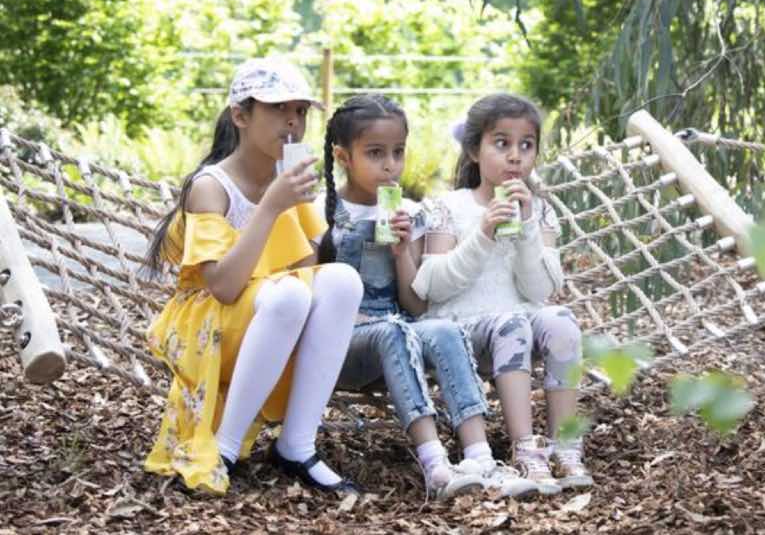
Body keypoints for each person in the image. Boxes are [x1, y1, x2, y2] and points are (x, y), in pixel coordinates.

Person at [142, 58, 362, 495]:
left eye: (300, 111)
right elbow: (223, 287)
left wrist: (309, 211)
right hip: (206, 324)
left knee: (341, 280)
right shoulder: (212, 187)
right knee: (287, 298)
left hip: (265, 315)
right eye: (279, 110)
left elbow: (304, 273)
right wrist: (271, 207)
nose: (293, 123)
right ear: (241, 116)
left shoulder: (287, 178)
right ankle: (223, 448)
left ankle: (297, 444)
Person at [318, 94, 537, 500]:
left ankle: (480, 456)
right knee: (393, 333)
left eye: (398, 152)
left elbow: (416, 305)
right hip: (342, 344)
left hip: (400, 331)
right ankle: (435, 464)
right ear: (343, 156)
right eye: (376, 153)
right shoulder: (321, 212)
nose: (390, 165)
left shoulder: (411, 212)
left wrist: (402, 254)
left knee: (442, 329)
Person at [412, 93, 593, 493]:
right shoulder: (448, 207)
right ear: (475, 150)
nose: (515, 156)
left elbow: (540, 289)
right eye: (502, 143)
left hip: (519, 324)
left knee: (561, 320)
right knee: (512, 323)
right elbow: (433, 287)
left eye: (526, 145)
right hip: (460, 330)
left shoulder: (540, 210)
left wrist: (527, 226)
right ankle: (524, 449)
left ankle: (565, 445)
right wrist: (484, 234)